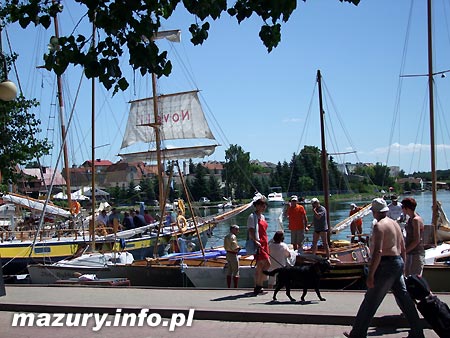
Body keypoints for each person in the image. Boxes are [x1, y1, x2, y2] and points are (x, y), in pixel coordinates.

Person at [344, 198, 425, 338]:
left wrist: (371, 275)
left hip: (385, 264)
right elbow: (403, 248)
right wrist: (403, 266)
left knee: (370, 300)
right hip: (397, 262)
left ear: (375, 212)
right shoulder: (395, 224)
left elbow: (378, 251)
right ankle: (418, 332)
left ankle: (357, 334)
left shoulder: (379, 226)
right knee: (405, 299)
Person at [247, 194, 271, 295]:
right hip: (258, 243)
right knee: (262, 264)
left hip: (264, 242)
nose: (263, 207)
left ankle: (258, 284)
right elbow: (251, 231)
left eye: (264, 205)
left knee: (265, 264)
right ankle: (258, 286)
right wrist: (255, 241)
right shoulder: (252, 217)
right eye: (261, 205)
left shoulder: (263, 217)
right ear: (256, 206)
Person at [402, 197, 425, 276]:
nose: (401, 209)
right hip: (410, 253)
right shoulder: (410, 219)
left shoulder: (416, 220)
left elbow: (416, 240)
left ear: (407, 208)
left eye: (402, 207)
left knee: (415, 279)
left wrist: (404, 252)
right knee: (407, 278)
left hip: (416, 253)